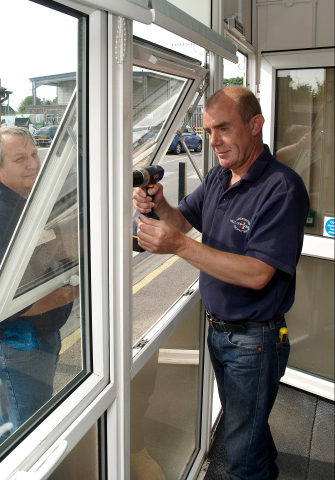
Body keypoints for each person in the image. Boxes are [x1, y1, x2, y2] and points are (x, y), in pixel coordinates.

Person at [133, 86, 309, 480]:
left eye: (224, 128)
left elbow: (258, 273)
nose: (214, 142)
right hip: (220, 332)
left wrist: (178, 246)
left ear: (255, 124)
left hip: (254, 341)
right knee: (247, 429)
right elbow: (183, 221)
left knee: (242, 453)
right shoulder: (218, 177)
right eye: (209, 131)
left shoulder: (282, 188)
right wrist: (159, 205)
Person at [0, 126, 79, 450]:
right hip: (15, 345)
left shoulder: (26, 201)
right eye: (19, 159)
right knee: (29, 429)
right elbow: (6, 302)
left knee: (12, 416)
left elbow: (44, 248)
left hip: (34, 337)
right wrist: (76, 291)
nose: (32, 164)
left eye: (33, 154)